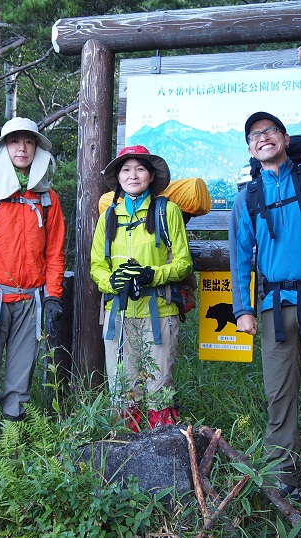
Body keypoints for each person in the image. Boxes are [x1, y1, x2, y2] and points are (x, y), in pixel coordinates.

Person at [228, 45, 301, 513]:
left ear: (282, 137)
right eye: (254, 136)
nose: (263, 138)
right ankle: (282, 479)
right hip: (274, 309)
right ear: (250, 149)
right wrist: (242, 308)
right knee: (278, 397)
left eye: (270, 131)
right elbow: (240, 257)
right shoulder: (248, 198)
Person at [0, 117, 66, 447]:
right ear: (5, 147)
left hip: (30, 301)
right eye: (14, 142)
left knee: (20, 381)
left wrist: (53, 295)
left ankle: (9, 453)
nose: (22, 148)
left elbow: (55, 251)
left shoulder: (47, 197)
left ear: (37, 149)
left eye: (29, 142)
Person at [90, 146, 193, 431]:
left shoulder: (166, 211)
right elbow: (97, 264)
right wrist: (110, 281)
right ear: (118, 178)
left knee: (159, 387)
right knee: (123, 389)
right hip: (118, 313)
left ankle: (161, 455)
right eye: (125, 169)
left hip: (159, 311)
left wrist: (153, 275)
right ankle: (128, 459)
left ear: (150, 175)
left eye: (139, 169)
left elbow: (184, 263)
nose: (132, 175)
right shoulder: (108, 217)